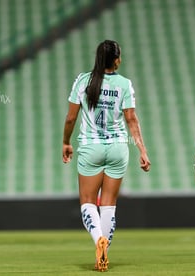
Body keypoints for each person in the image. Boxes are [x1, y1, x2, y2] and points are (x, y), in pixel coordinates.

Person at [62, 40, 151, 271]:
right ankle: (103, 253)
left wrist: (65, 142)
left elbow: (71, 118)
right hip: (118, 148)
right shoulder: (124, 84)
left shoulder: (83, 81)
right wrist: (142, 149)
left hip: (91, 147)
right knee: (109, 204)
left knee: (88, 202)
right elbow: (131, 119)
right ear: (117, 59)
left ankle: (97, 240)